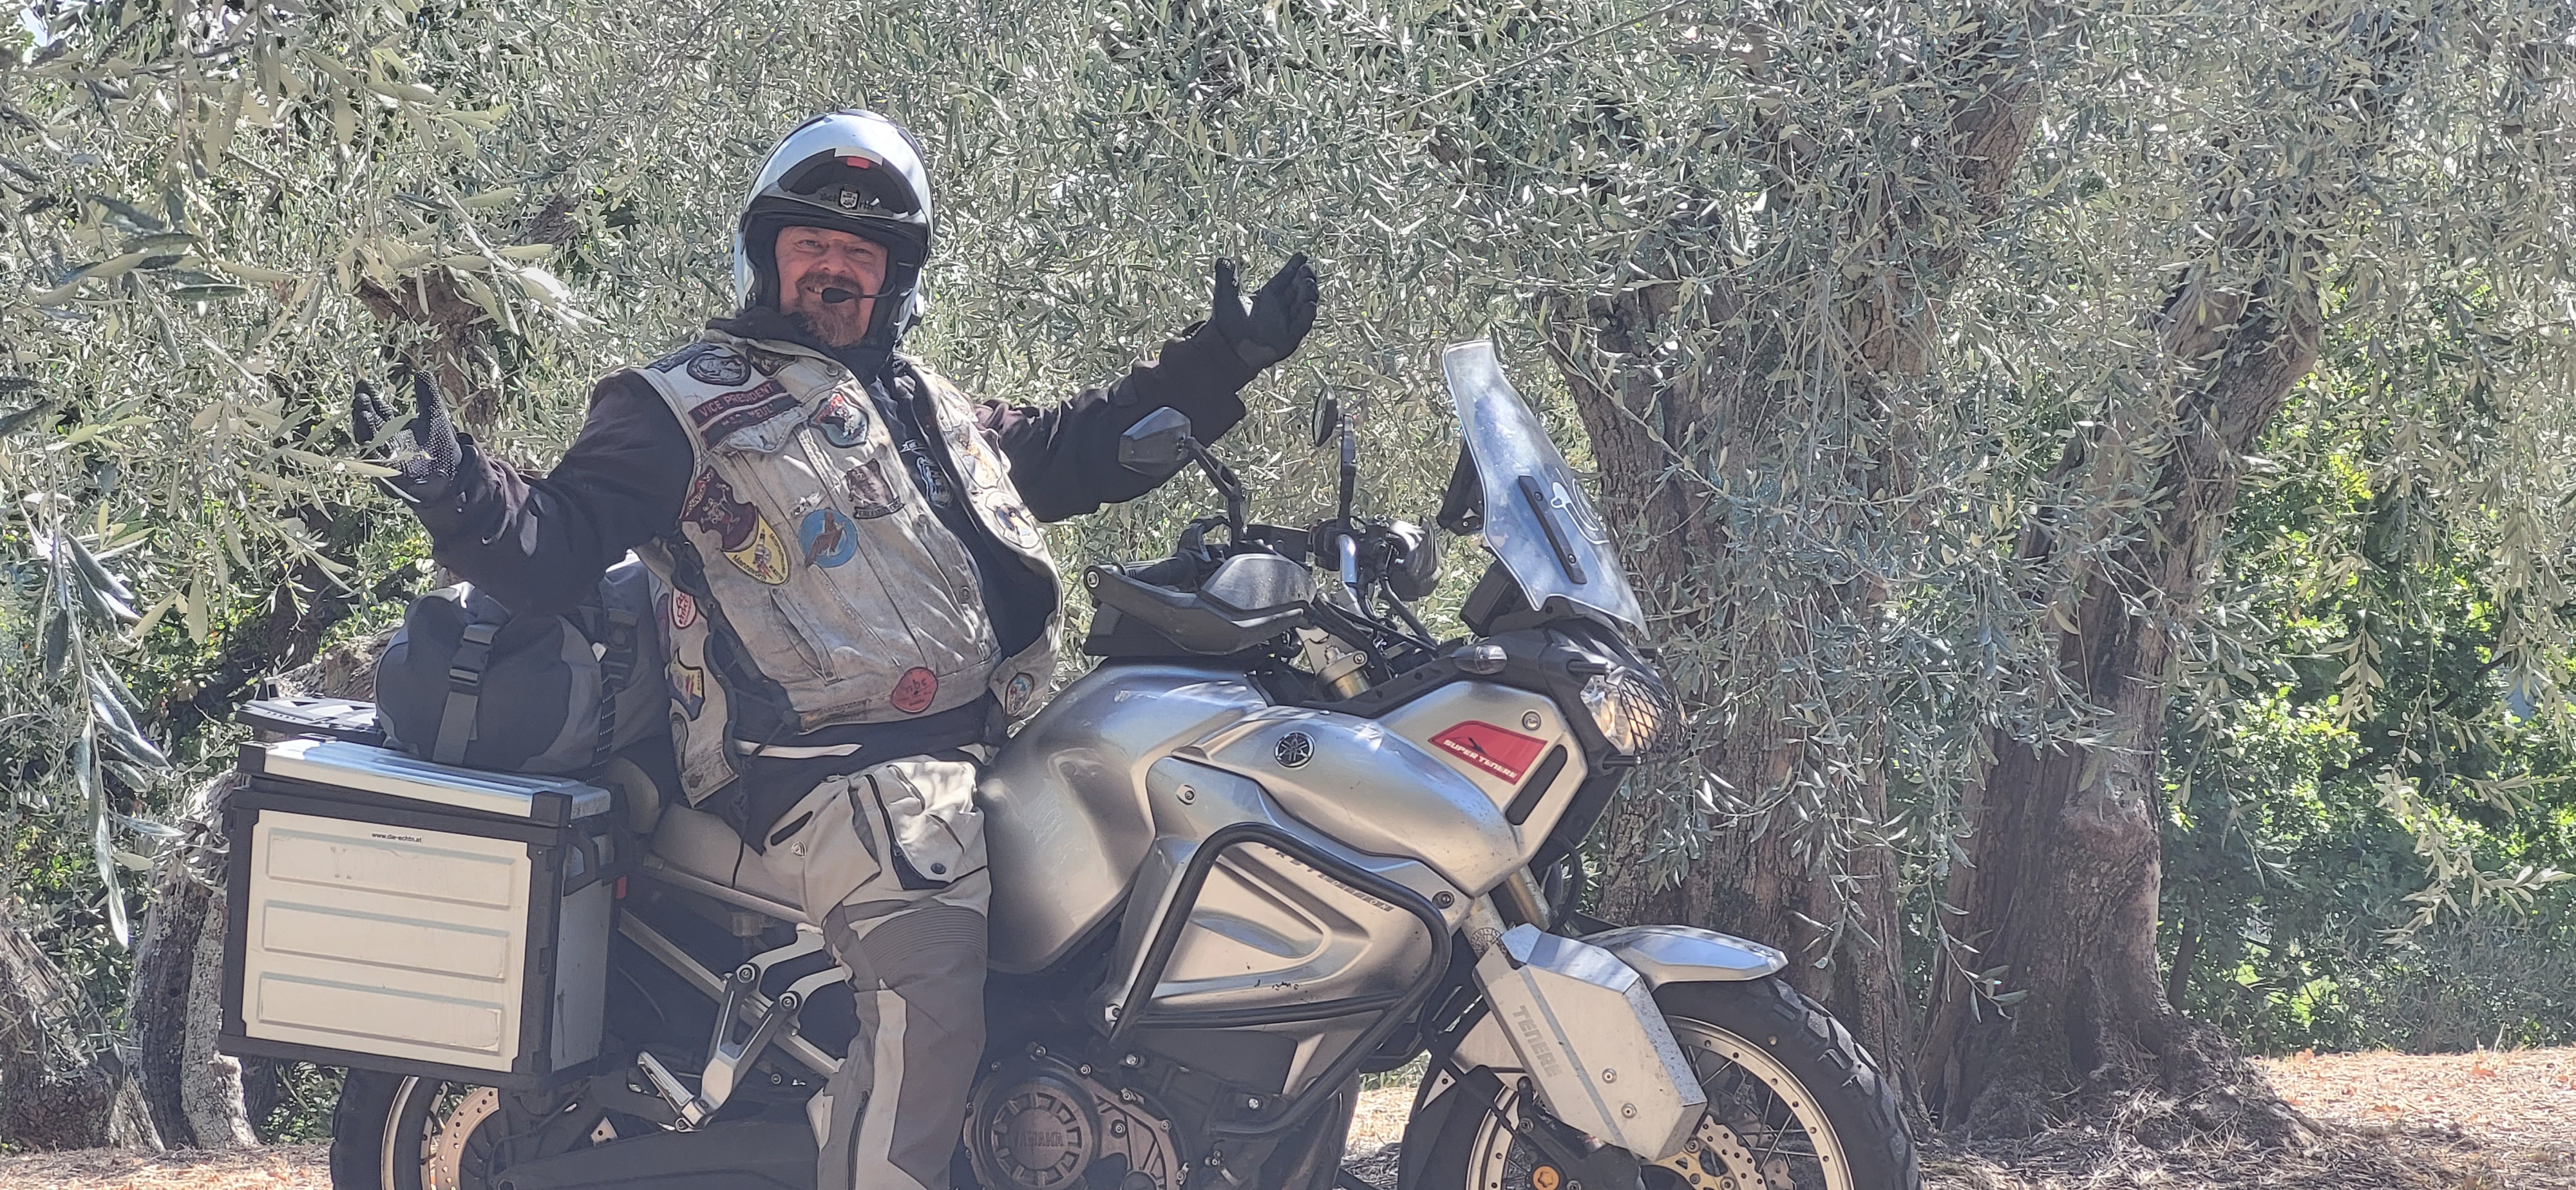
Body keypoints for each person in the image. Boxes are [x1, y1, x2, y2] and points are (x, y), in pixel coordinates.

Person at [351, 109, 1318, 1190]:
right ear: (764, 257)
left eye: (861, 253)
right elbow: (557, 538)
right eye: (811, 243)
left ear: (895, 279)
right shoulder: (677, 405)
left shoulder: (918, 403)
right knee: (929, 992)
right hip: (824, 773)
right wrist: (456, 487)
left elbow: (1070, 449)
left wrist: (1219, 363)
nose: (833, 268)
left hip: (970, 749)